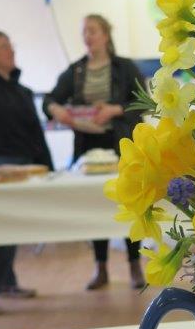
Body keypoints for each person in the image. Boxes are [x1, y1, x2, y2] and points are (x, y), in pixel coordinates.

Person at [44, 15, 146, 290]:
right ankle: (100, 267)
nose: (87, 36)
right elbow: (50, 99)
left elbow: (143, 102)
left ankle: (134, 264)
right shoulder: (76, 70)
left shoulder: (124, 67)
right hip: (87, 148)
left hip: (122, 145)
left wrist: (114, 110)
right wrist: (57, 110)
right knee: (95, 205)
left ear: (105, 35)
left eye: (92, 31)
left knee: (127, 204)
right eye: (84, 32)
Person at [0, 31, 53, 315]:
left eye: (11, 45)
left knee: (13, 224)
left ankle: (6, 283)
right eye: (4, 46)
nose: (11, 50)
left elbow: (34, 132)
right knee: (4, 225)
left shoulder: (19, 90)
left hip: (24, 162)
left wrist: (47, 164)